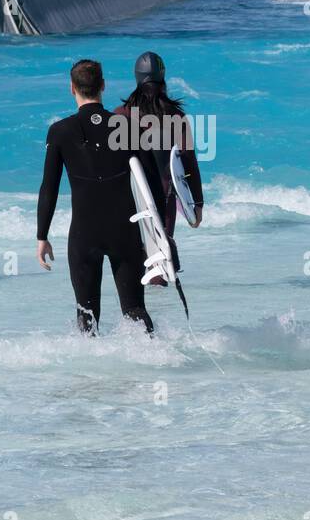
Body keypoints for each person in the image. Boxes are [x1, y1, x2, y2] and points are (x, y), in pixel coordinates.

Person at [36, 59, 153, 334]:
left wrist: (42, 236)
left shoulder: (59, 131)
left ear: (72, 88)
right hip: (125, 232)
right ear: (103, 86)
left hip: (84, 234)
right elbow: (151, 184)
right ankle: (157, 363)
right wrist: (159, 235)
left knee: (87, 316)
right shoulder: (128, 127)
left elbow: (49, 187)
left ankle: (91, 376)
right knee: (135, 309)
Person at [118, 51, 204, 241]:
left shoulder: (120, 115)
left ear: (137, 77)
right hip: (164, 201)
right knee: (163, 257)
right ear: (162, 76)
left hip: (129, 201)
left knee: (136, 262)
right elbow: (188, 162)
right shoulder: (175, 116)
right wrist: (197, 203)